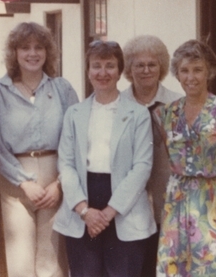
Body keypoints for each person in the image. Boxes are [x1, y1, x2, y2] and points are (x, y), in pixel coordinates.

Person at [53, 39, 156, 277]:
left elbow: (142, 167)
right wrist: (84, 211)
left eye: (110, 66)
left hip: (123, 205)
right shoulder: (74, 114)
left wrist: (108, 213)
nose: (103, 73)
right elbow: (65, 164)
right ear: (88, 71)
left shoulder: (138, 114)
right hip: (83, 202)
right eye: (96, 66)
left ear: (120, 71)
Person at [0, 22, 78, 277]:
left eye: (39, 47)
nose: (32, 53)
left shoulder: (62, 88)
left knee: (52, 262)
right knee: (18, 262)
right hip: (14, 182)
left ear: (47, 52)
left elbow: (75, 139)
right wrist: (23, 182)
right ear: (14, 53)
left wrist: (60, 184)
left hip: (55, 178)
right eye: (25, 47)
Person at [156, 39, 216, 277]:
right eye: (184, 70)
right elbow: (172, 154)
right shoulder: (167, 113)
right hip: (177, 202)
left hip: (214, 203)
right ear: (177, 74)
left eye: (198, 70)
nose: (191, 77)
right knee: (177, 267)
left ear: (209, 72)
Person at [121, 35, 182, 277]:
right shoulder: (118, 103)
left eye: (152, 64)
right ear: (129, 69)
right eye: (139, 65)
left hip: (167, 201)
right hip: (129, 204)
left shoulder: (176, 103)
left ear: (162, 67)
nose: (146, 70)